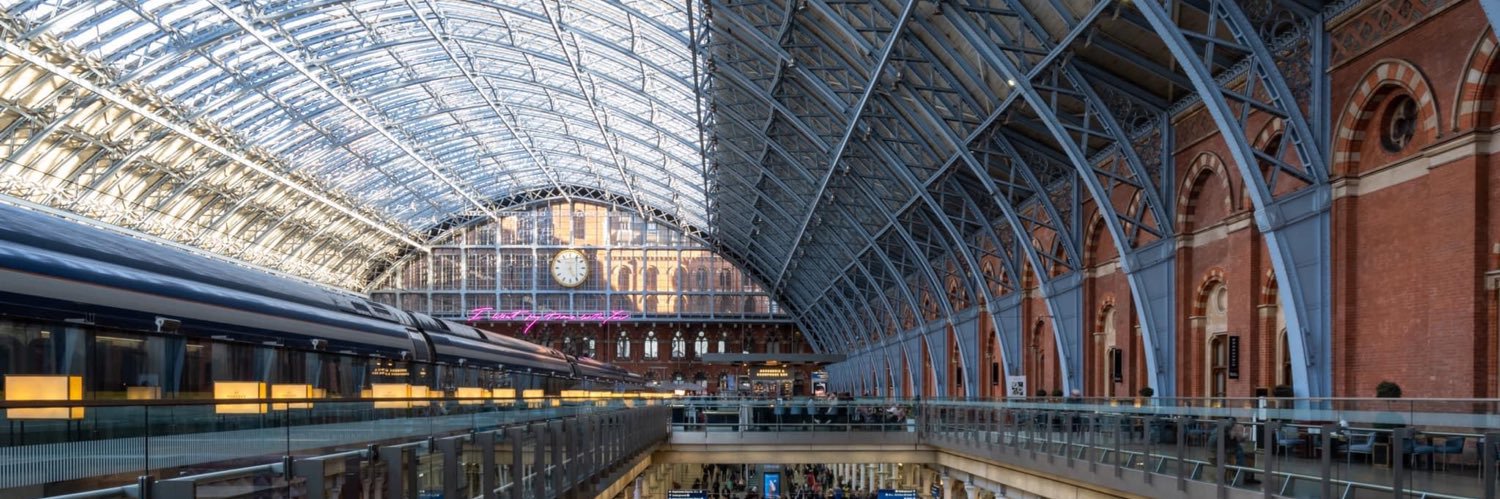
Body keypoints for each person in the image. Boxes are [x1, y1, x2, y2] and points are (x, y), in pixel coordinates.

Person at [1209, 417, 1260, 485]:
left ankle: (1244, 474)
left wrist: (1238, 436)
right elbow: (1233, 437)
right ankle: (1245, 474)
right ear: (1233, 423)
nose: (1236, 425)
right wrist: (1241, 436)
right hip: (1218, 451)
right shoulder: (1229, 427)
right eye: (1235, 424)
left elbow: (1232, 438)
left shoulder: (1221, 426)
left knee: (1239, 449)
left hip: (1213, 450)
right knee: (1240, 451)